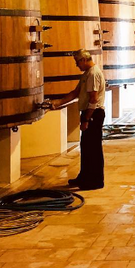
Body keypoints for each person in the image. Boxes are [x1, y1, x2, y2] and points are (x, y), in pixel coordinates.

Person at [51, 49, 106, 190]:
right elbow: (75, 93)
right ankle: (84, 177)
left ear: (83, 60)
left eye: (77, 62)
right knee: (86, 147)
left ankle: (94, 181)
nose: (77, 66)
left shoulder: (93, 74)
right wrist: (58, 102)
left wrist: (86, 119)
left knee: (93, 149)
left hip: (93, 114)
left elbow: (93, 99)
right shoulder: (87, 74)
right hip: (89, 113)